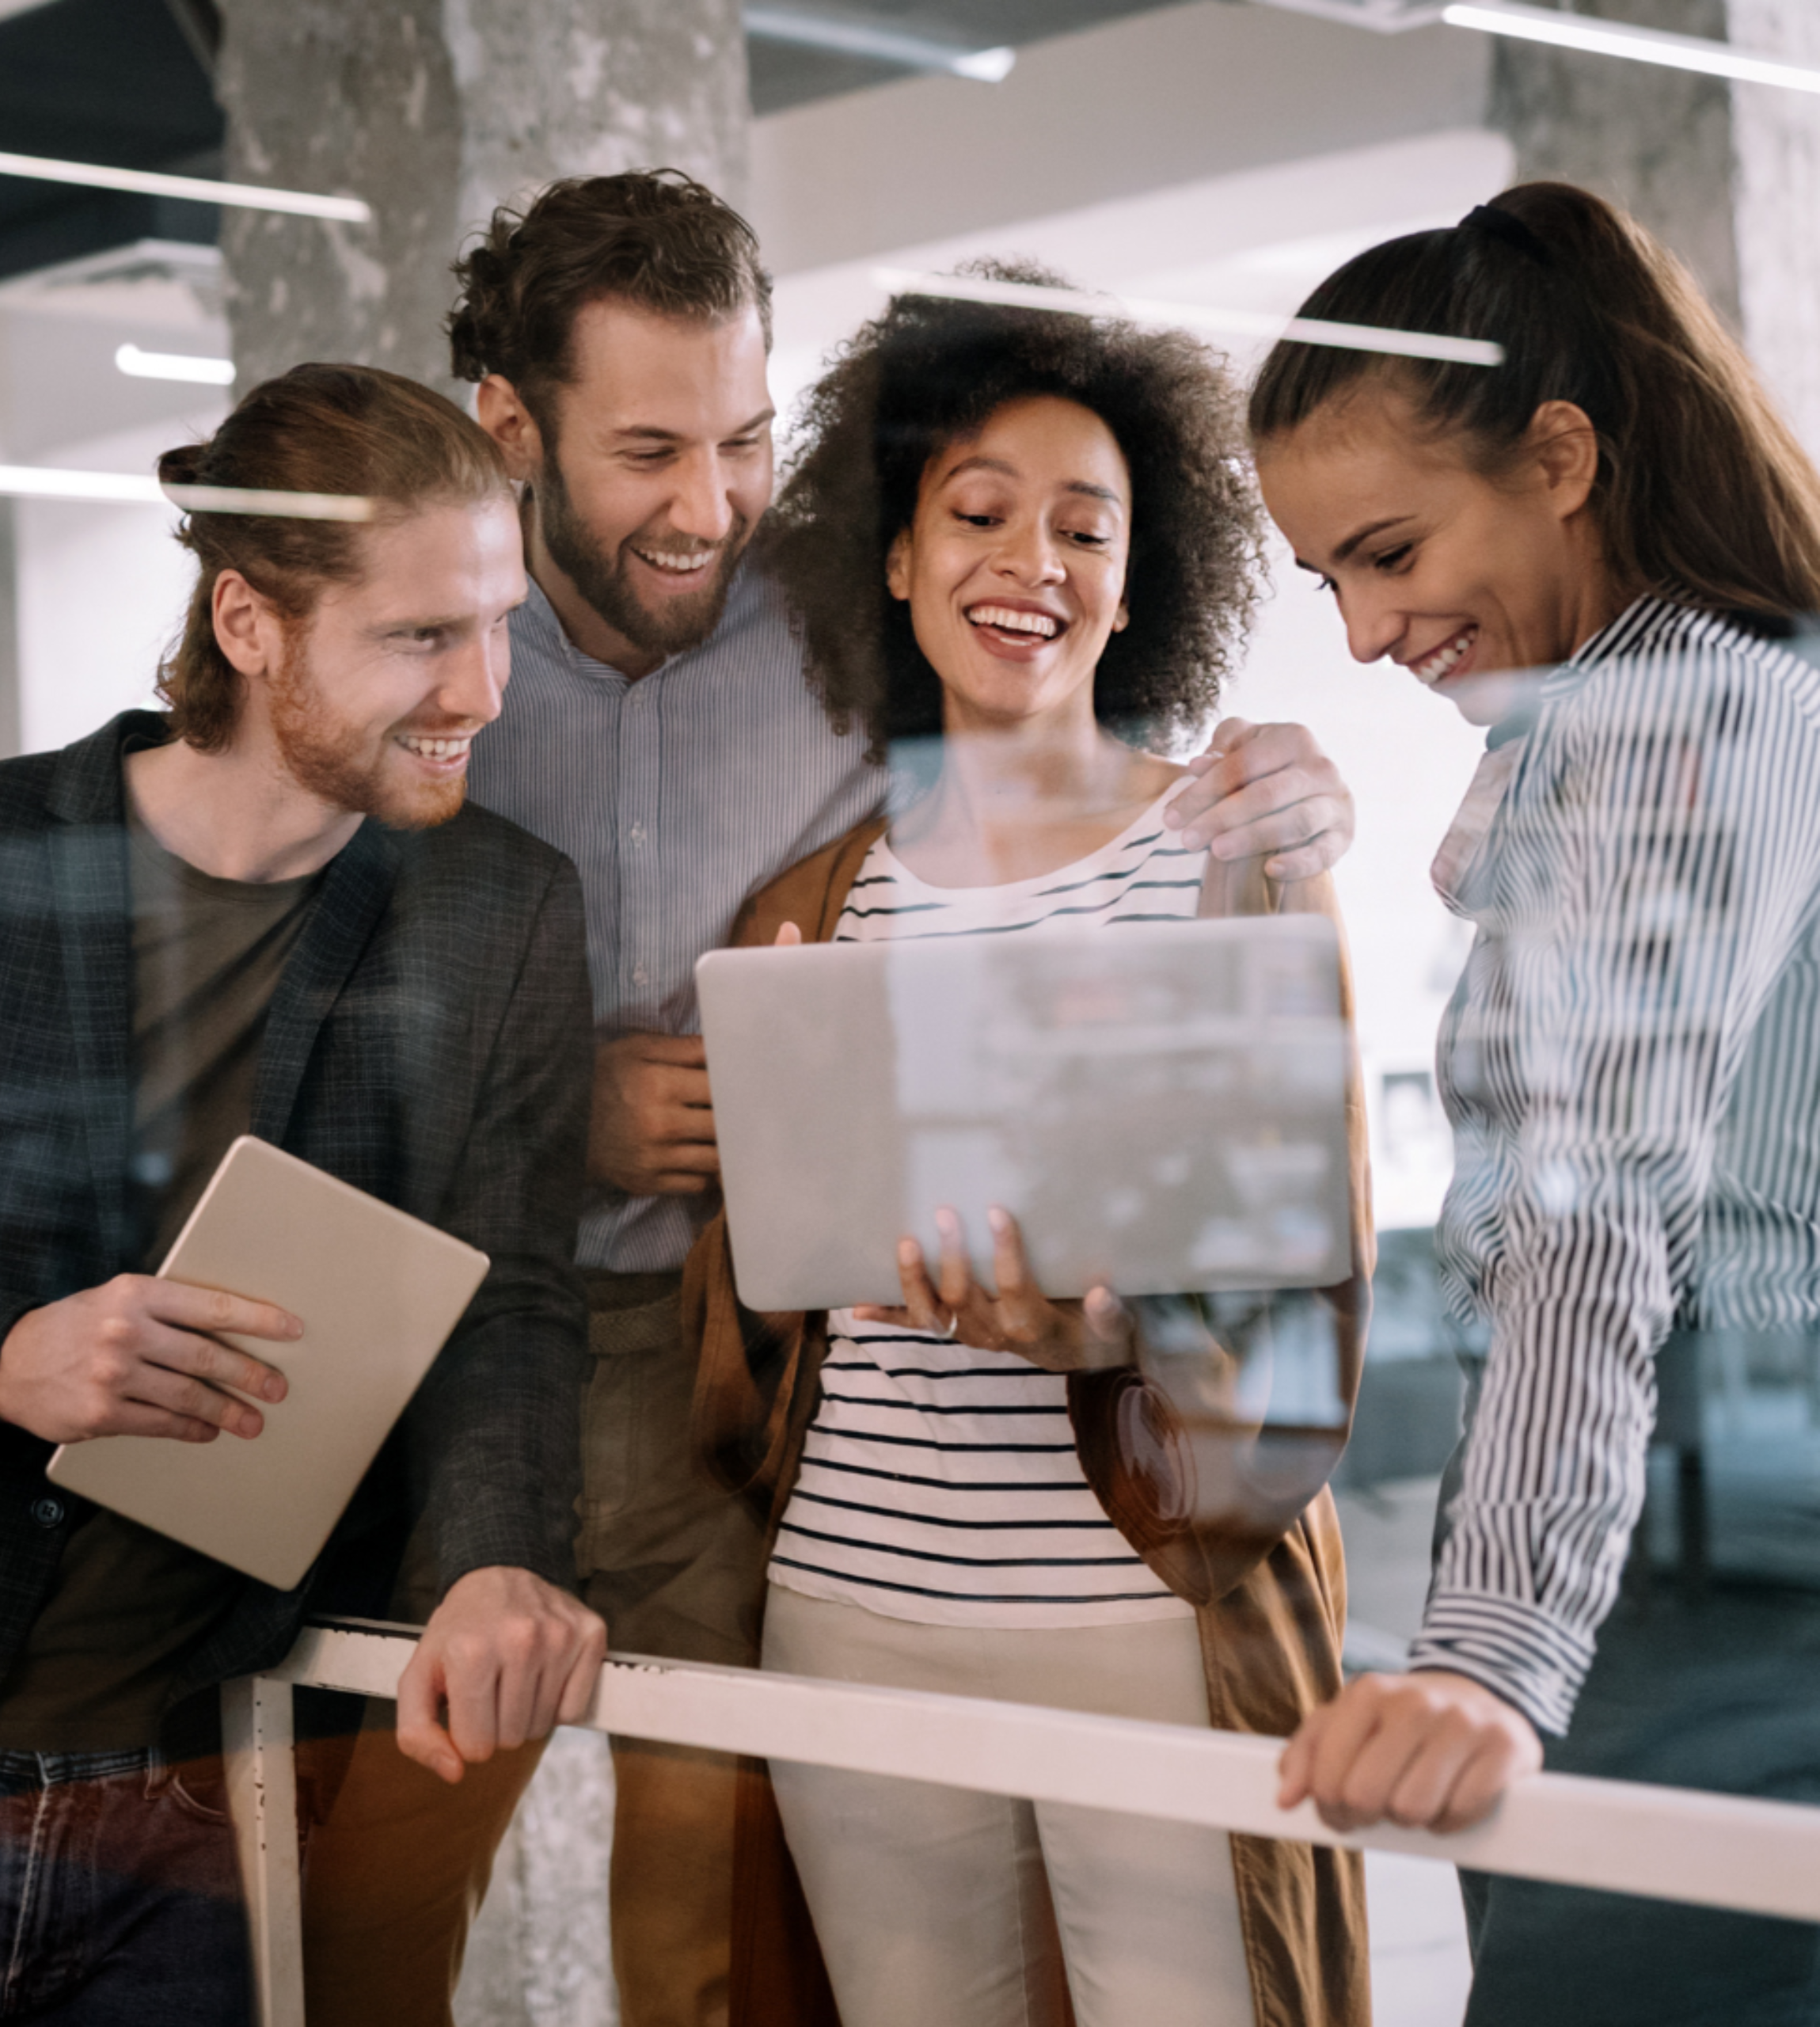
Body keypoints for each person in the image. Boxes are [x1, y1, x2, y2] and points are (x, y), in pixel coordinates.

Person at [301, 168, 1368, 2027]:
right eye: (647, 447)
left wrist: (1296, 800)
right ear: (511, 426)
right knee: (360, 1898)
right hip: (516, 1353)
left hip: (842, 1444)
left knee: (720, 1946)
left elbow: (1290, 1249)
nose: (706, 504)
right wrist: (554, 1116)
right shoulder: (432, 668)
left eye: (740, 439)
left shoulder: (875, 684)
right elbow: (281, 994)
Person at [0, 362, 606, 2022]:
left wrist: (493, 1555)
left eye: (500, 622)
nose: (487, 686)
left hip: (218, 1795)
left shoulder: (503, 908)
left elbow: (510, 1299)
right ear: (249, 621)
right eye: (421, 636)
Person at [686, 272, 1374, 2027]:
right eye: (976, 513)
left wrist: (1119, 1330)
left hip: (1140, 1612)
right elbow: (767, 1310)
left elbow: (1299, 1266)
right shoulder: (807, 909)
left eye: (1086, 525)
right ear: (896, 559)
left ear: (1136, 580)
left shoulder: (1224, 855)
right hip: (852, 1603)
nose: (1033, 562)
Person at [1250, 182, 1820, 2024]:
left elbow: (1592, 1213)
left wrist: (1486, 1654)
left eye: (1388, 548)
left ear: (1559, 456)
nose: (1357, 631)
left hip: (1715, 1592)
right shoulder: (1732, 696)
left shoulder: (1668, 728)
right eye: (1322, 573)